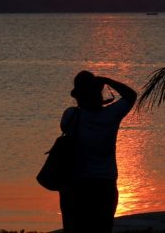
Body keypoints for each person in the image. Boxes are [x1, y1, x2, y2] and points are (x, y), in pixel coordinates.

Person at [59, 71, 137, 233]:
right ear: (99, 92)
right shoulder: (111, 114)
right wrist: (108, 80)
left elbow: (65, 129)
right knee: (102, 229)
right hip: (105, 183)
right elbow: (131, 95)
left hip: (75, 184)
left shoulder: (71, 115)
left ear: (78, 96)